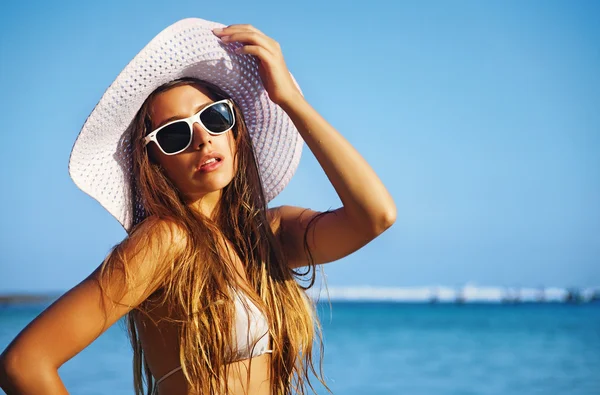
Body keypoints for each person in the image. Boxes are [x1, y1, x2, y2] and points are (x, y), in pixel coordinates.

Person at [0, 18, 396, 395]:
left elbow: (375, 216)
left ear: (235, 132)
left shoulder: (270, 235)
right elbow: (24, 363)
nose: (202, 139)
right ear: (155, 161)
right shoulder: (165, 241)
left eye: (214, 116)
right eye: (175, 133)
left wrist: (289, 99)